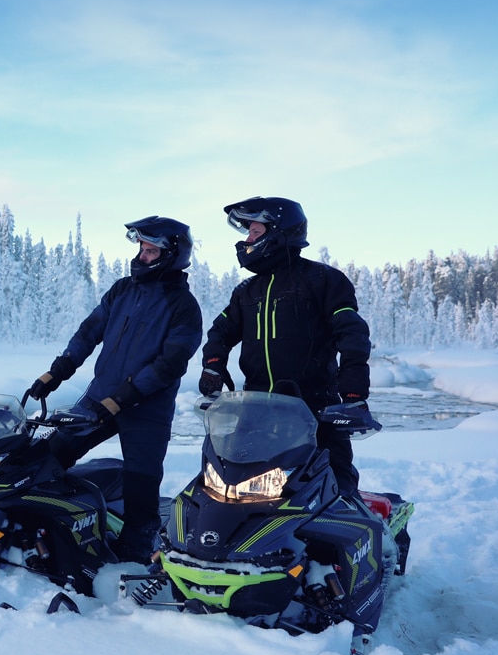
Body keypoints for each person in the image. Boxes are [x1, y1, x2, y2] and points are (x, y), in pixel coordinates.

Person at [25, 216, 203, 564]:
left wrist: (125, 397)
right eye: (141, 248)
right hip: (99, 395)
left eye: (151, 250)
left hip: (145, 408)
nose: (142, 256)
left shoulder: (184, 307)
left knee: (142, 481)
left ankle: (136, 551)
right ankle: (40, 519)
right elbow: (88, 332)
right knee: (53, 452)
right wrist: (58, 371)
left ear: (172, 255)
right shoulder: (123, 289)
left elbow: (170, 364)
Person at [197, 196, 373, 499]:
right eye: (248, 233)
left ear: (280, 231)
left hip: (316, 405)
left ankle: (355, 536)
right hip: (256, 407)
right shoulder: (246, 291)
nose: (248, 240)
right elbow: (220, 331)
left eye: (255, 232)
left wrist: (354, 394)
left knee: (335, 487)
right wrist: (213, 363)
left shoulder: (322, 279)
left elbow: (352, 334)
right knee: (232, 485)